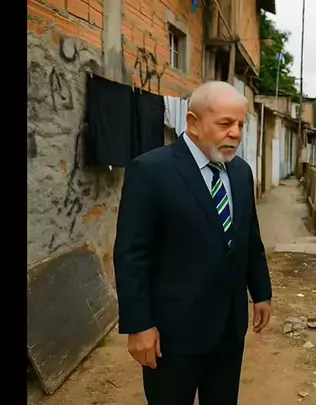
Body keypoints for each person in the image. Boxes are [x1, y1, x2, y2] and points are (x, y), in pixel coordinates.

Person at [113, 81, 272, 405]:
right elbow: (132, 255)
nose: (235, 133)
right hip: (174, 335)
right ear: (193, 123)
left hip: (229, 329)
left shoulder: (241, 173)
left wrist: (261, 292)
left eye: (240, 125)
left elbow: (249, 238)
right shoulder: (151, 171)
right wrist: (139, 325)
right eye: (225, 123)